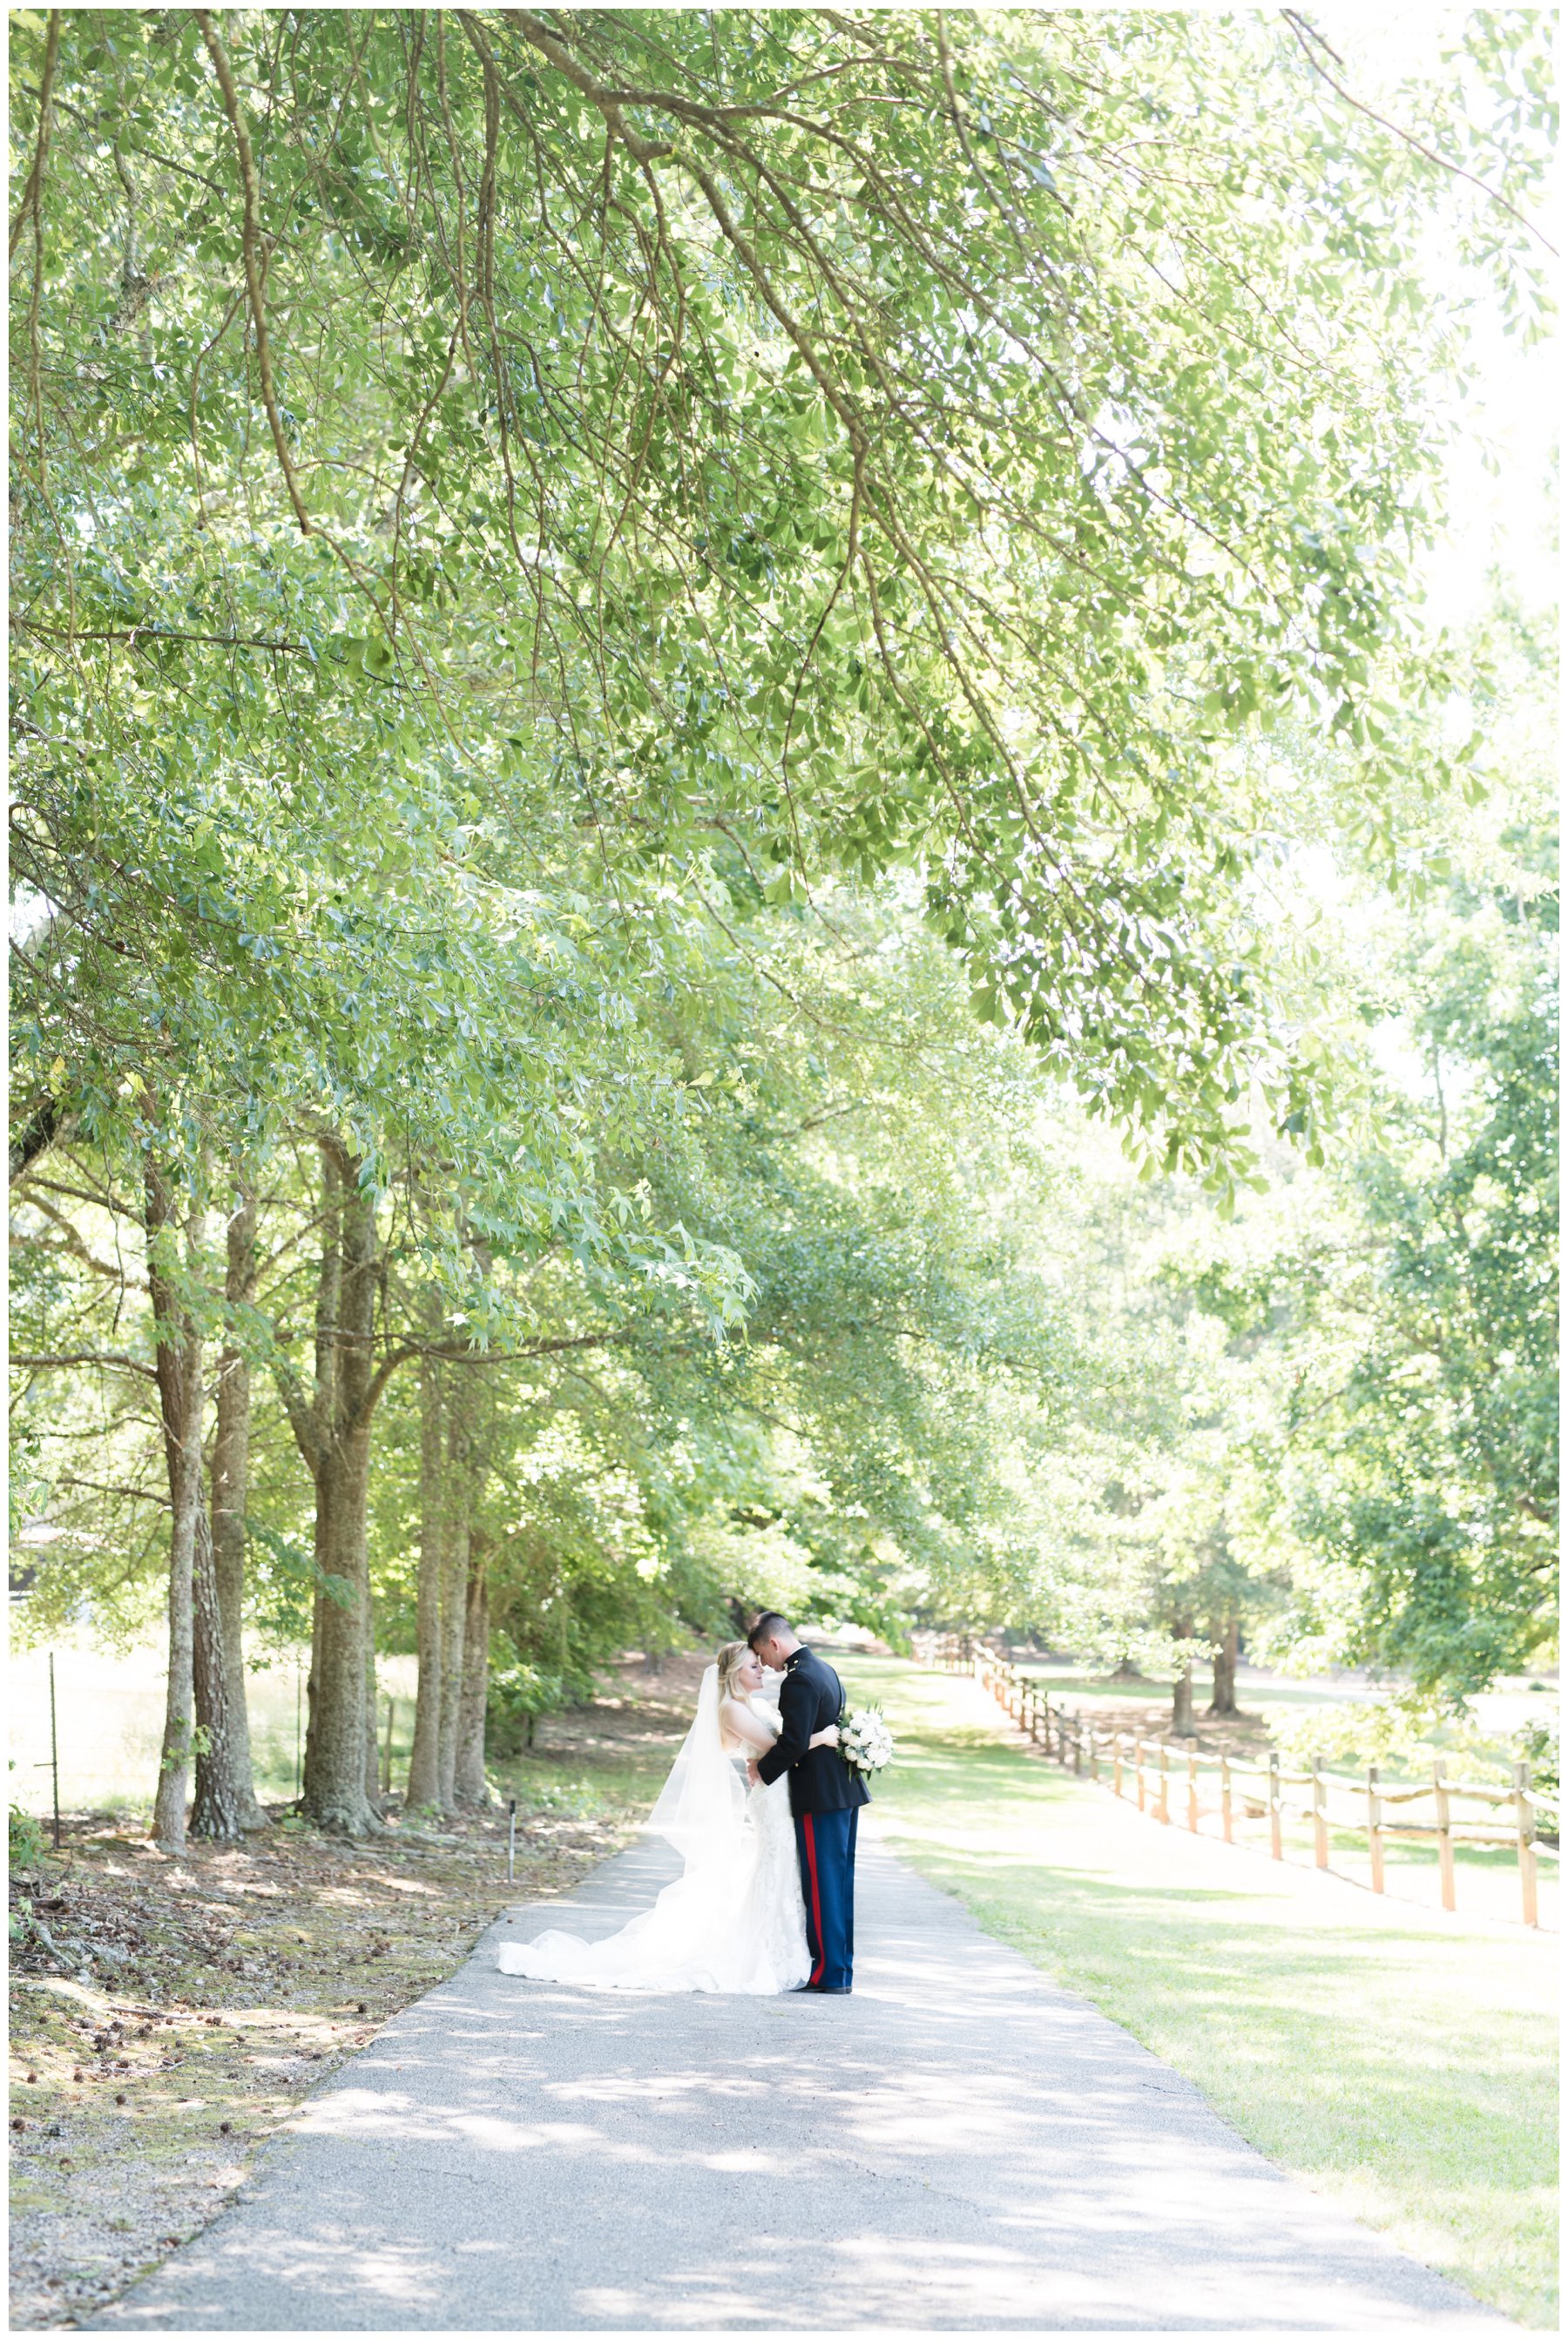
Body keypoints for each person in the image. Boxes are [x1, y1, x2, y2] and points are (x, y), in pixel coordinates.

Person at [496, 1641, 840, 1993]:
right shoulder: (731, 1710)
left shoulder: (757, 1704)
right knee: (774, 1865)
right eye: (753, 1666)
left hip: (779, 1791)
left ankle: (781, 1945)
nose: (762, 1670)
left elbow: (782, 1744)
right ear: (735, 1672)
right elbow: (779, 1749)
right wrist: (824, 1737)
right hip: (770, 1798)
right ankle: (767, 1951)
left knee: (780, 1867)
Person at [747, 1612, 868, 1994]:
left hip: (819, 1795)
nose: (765, 1664)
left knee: (823, 1886)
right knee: (839, 1884)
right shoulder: (825, 1668)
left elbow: (795, 1743)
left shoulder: (798, 1680)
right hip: (842, 1791)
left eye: (762, 1656)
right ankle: (839, 1972)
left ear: (773, 1643)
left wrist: (761, 1771)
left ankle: (829, 1975)